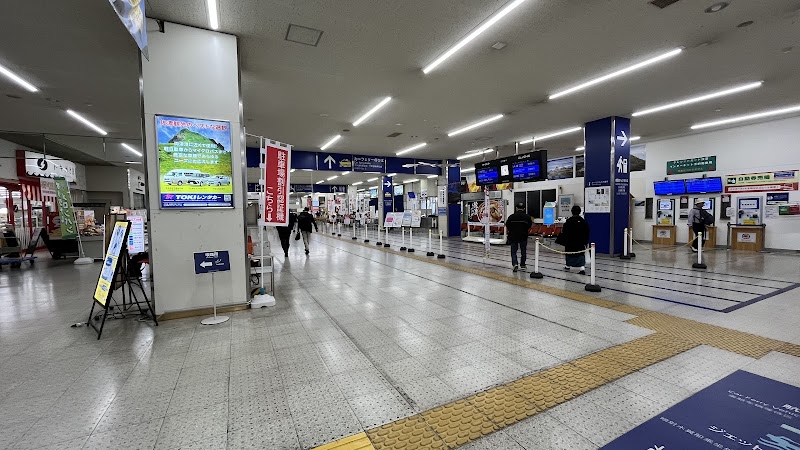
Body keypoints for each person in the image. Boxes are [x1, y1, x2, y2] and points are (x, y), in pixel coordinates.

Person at [557, 205, 590, 274]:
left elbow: (564, 231)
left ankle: (568, 265)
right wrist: (585, 241)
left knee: (569, 253)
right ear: (580, 212)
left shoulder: (569, 221)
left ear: (572, 212)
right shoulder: (583, 221)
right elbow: (587, 231)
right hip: (580, 242)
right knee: (580, 253)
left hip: (570, 242)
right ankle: (582, 267)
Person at [505, 203, 533, 272]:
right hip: (523, 236)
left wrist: (513, 230)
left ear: (516, 208)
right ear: (524, 209)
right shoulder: (527, 217)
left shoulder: (511, 217)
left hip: (513, 236)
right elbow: (529, 226)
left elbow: (507, 225)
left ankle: (515, 264)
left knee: (513, 251)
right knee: (523, 251)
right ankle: (523, 264)